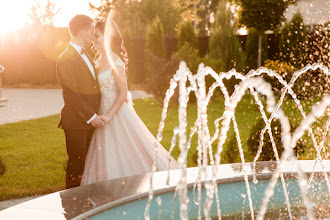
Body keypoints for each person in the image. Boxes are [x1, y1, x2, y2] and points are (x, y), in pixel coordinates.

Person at [81, 21, 180, 185]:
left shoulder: (116, 62)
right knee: (107, 152)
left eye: (97, 36)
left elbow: (122, 93)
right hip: (100, 111)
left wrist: (109, 116)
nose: (93, 40)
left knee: (125, 148)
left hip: (115, 112)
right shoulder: (98, 61)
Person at [56, 15, 104, 189]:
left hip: (92, 122)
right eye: (91, 30)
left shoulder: (88, 55)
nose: (93, 34)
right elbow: (71, 94)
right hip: (76, 122)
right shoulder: (65, 58)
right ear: (83, 32)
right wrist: (91, 116)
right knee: (77, 166)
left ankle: (87, 205)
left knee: (89, 166)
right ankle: (72, 208)